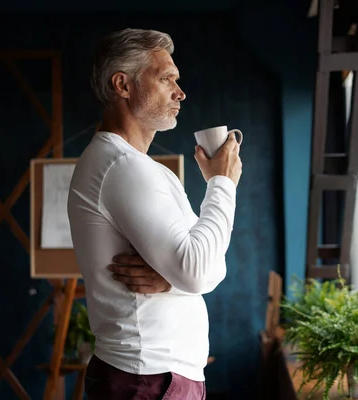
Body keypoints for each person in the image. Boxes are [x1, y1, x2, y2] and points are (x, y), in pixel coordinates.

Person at [67, 28, 242, 400]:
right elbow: (198, 271)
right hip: (147, 379)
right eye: (166, 79)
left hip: (152, 377)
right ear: (123, 85)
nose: (180, 93)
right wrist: (222, 183)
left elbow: (209, 266)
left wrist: (171, 280)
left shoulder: (144, 168)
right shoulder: (124, 167)